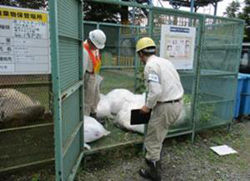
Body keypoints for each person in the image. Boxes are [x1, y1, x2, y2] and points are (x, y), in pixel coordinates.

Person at [136, 37, 184, 181]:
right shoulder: (165, 62)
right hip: (177, 103)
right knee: (159, 134)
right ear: (154, 50)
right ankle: (156, 161)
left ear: (140, 54)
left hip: (165, 107)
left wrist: (147, 106)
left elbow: (155, 91)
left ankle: (154, 173)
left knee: (152, 139)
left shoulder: (150, 66)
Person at [83, 29, 106, 120]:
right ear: (90, 41)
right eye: (96, 46)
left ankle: (93, 113)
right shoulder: (84, 50)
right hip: (88, 77)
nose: (97, 48)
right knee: (88, 100)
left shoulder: (95, 48)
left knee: (96, 97)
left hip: (95, 75)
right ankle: (86, 118)